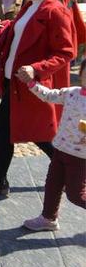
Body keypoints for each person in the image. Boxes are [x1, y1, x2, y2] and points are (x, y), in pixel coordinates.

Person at [0, 0, 78, 196]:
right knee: (10, 129)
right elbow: (19, 34)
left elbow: (66, 51)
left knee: (32, 132)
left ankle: (72, 169)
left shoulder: (56, 10)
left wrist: (37, 69)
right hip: (14, 80)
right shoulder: (31, 5)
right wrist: (4, 30)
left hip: (29, 83)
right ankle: (0, 179)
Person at [17, 60, 86, 231]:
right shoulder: (71, 93)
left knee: (76, 195)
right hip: (60, 149)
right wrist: (31, 83)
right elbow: (48, 95)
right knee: (53, 184)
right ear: (81, 74)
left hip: (80, 157)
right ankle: (48, 218)